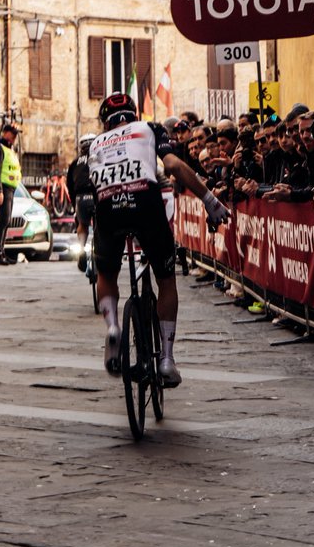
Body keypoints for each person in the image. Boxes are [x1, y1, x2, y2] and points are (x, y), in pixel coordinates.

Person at [88, 93, 230, 386]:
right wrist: (209, 200)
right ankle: (166, 358)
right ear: (133, 114)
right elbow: (174, 166)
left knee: (106, 271)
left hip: (108, 209)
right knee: (165, 277)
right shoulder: (149, 128)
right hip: (144, 204)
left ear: (105, 122)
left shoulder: (96, 143)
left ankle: (113, 326)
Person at [0, 123, 22, 265]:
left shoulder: (9, 150)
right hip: (3, 189)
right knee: (4, 220)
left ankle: (1, 252)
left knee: (6, 221)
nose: (14, 137)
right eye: (12, 134)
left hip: (10, 189)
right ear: (5, 133)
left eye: (15, 134)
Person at [67, 133, 96, 271]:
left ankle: (82, 250)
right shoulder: (99, 157)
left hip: (81, 197)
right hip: (96, 195)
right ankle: (100, 249)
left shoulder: (75, 163)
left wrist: (74, 206)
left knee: (82, 225)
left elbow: (70, 186)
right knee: (101, 225)